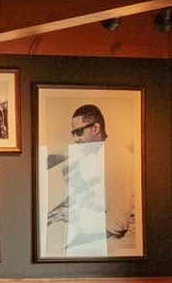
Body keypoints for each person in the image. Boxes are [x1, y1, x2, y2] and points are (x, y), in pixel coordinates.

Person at [45, 102, 139, 255]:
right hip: (105, 234)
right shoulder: (97, 155)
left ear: (95, 128)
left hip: (122, 243)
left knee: (58, 249)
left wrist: (72, 216)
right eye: (73, 133)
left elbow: (117, 225)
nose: (75, 138)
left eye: (79, 132)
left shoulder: (119, 159)